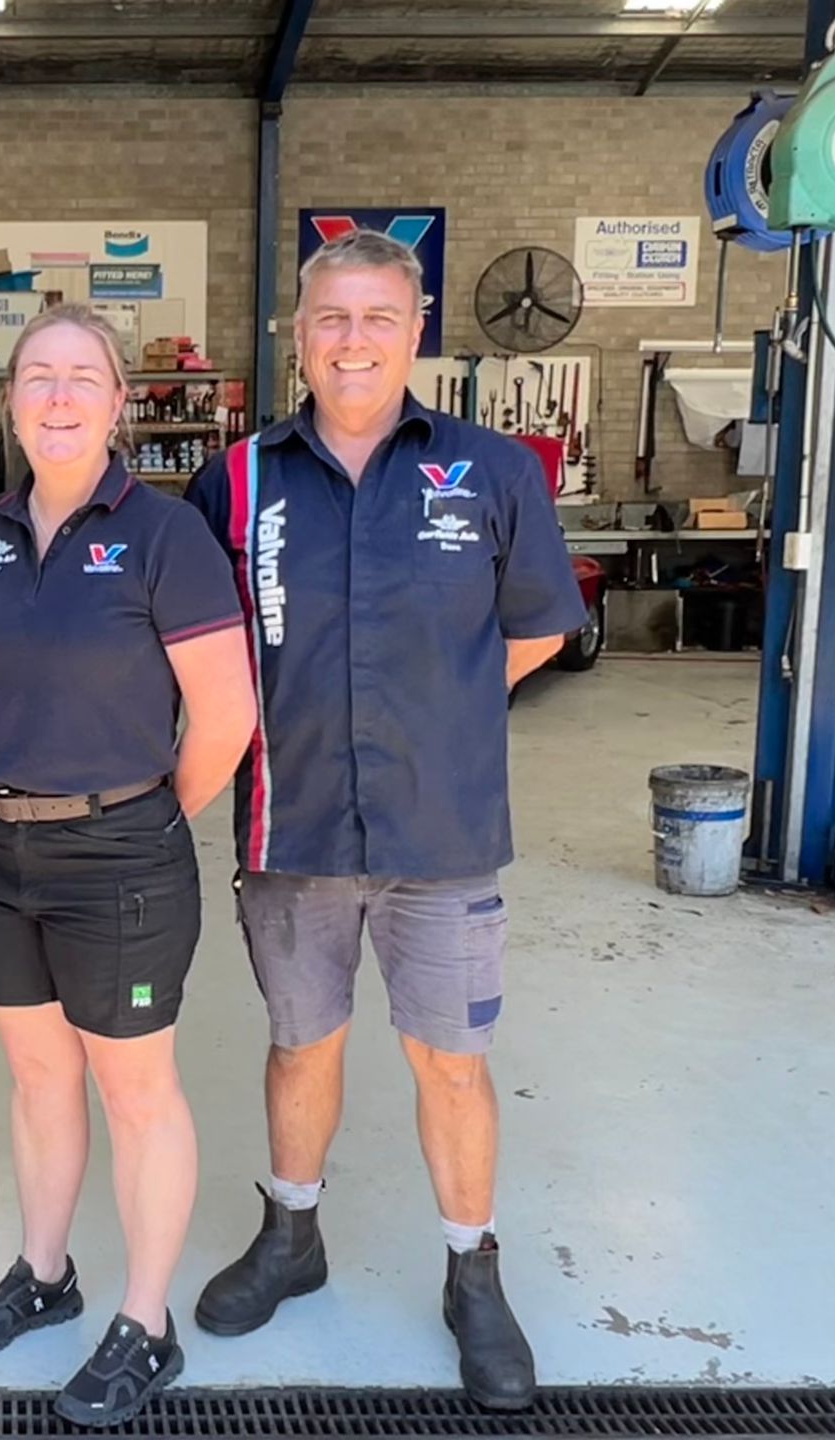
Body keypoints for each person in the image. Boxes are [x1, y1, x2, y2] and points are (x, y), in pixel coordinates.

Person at [184, 229, 585, 1410]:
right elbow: (195, 649)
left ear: (415, 333)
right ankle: (291, 1237)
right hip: (292, 824)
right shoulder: (235, 483)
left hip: (439, 831)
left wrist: (445, 710)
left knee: (450, 1063)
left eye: (376, 318)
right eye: (330, 318)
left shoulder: (492, 470)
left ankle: (473, 1274)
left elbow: (539, 627)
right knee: (300, 1044)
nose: (351, 339)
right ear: (298, 336)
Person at [0, 305, 256, 1428]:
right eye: (39, 376)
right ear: (11, 402)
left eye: (84, 376)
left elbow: (225, 714)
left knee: (135, 1090)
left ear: (119, 402)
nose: (60, 396)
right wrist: (22, 790)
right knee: (37, 1077)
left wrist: (140, 816)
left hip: (119, 853)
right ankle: (45, 1274)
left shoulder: (165, 537)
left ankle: (146, 1323)